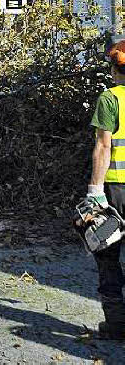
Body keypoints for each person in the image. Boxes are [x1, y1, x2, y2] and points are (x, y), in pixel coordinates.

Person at [88, 40, 125, 339]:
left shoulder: (109, 99)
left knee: (108, 253)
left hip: (116, 190)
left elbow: (103, 146)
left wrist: (94, 190)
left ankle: (116, 325)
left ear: (114, 70)